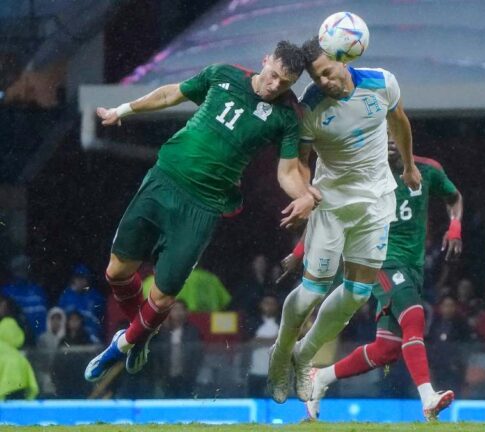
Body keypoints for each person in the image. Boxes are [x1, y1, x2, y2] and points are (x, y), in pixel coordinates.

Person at [83, 41, 319, 384]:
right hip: (163, 180)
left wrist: (305, 197)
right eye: (273, 77)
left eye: (285, 83)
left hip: (204, 206)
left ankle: (123, 344)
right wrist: (123, 110)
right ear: (265, 60)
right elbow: (171, 95)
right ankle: (142, 333)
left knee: (163, 296)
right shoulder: (222, 74)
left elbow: (286, 172)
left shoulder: (286, 116)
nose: (275, 86)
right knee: (116, 273)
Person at [267, 36, 421, 404]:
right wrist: (305, 195)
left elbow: (399, 121)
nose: (323, 82)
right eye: (315, 78)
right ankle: (281, 352)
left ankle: (304, 357)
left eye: (326, 73)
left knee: (358, 294)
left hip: (376, 202)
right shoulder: (310, 107)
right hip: (332, 205)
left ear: (344, 59)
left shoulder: (382, 83)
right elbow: (300, 161)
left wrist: (410, 165)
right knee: (311, 294)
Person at [303, 138, 463, 421]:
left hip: (412, 266)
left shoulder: (428, 170)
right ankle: (428, 397)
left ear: (406, 136)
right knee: (414, 316)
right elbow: (329, 215)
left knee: (387, 349)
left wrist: (454, 226)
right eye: (382, 132)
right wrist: (300, 250)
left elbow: (454, 198)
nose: (389, 140)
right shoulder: (363, 174)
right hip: (376, 259)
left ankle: (321, 377)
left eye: (394, 133)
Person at [153, 300, 203, 398]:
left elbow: (197, 355)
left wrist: (192, 373)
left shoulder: (193, 331)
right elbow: (157, 355)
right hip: (166, 378)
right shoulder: (162, 332)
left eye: (181, 310)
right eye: (175, 309)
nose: (178, 313)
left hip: (186, 378)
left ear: (186, 312)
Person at [1, 254, 48, 340]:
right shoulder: (6, 292)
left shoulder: (38, 290)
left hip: (40, 339)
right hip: (15, 338)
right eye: (18, 268)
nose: (22, 272)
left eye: (24, 267)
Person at [58, 263, 104, 340]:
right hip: (70, 338)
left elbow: (102, 320)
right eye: (78, 278)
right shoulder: (65, 297)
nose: (80, 281)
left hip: (92, 338)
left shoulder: (96, 297)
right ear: (73, 279)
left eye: (83, 278)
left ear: (87, 280)